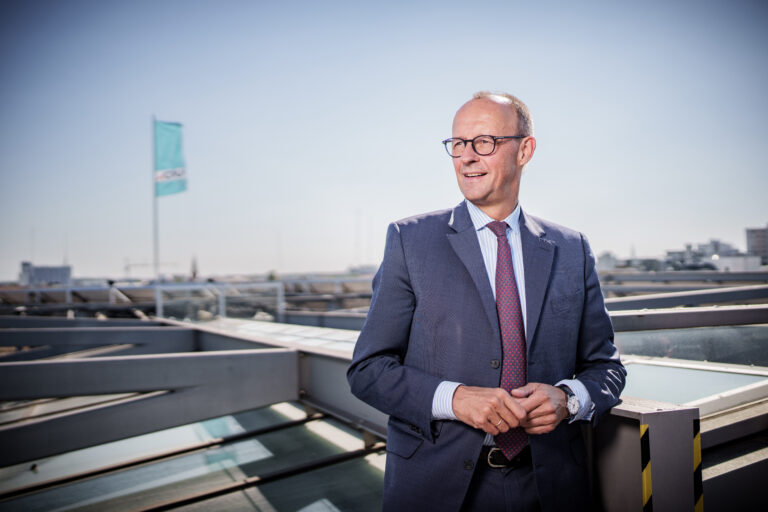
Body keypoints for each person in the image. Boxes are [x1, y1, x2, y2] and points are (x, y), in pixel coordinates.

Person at [347, 91, 625, 511]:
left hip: (551, 488)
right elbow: (368, 370)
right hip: (436, 489)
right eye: (458, 144)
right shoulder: (410, 241)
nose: (467, 157)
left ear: (525, 150)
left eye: (484, 142)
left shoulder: (572, 248)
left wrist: (569, 400)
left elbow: (606, 367)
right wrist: (453, 398)